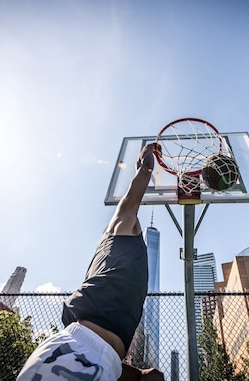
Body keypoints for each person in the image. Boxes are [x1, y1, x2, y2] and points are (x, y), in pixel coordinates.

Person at [17, 143, 164, 381]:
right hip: (78, 348)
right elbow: (132, 196)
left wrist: (137, 375)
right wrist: (146, 161)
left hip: (91, 353)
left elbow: (104, 350)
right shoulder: (121, 227)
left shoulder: (116, 249)